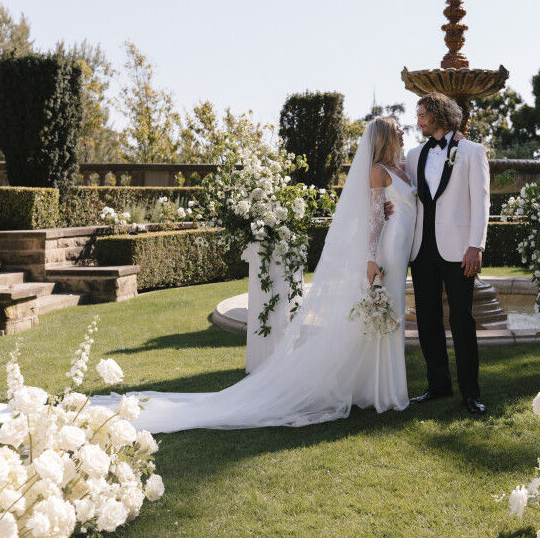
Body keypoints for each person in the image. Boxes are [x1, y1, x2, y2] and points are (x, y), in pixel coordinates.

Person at [91, 118, 414, 432]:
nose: (403, 132)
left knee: (388, 314)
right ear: (386, 136)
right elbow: (374, 217)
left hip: (402, 248)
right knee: (386, 313)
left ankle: (377, 385)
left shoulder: (403, 167)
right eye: (398, 129)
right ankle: (382, 390)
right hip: (388, 250)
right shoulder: (377, 170)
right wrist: (370, 258)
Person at [404, 93, 490, 416]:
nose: (418, 121)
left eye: (422, 115)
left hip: (459, 250)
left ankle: (471, 393)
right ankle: (438, 384)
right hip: (421, 249)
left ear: (439, 114)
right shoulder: (414, 155)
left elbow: (481, 201)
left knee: (461, 319)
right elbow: (406, 194)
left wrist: (476, 245)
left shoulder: (472, 151)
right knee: (427, 320)